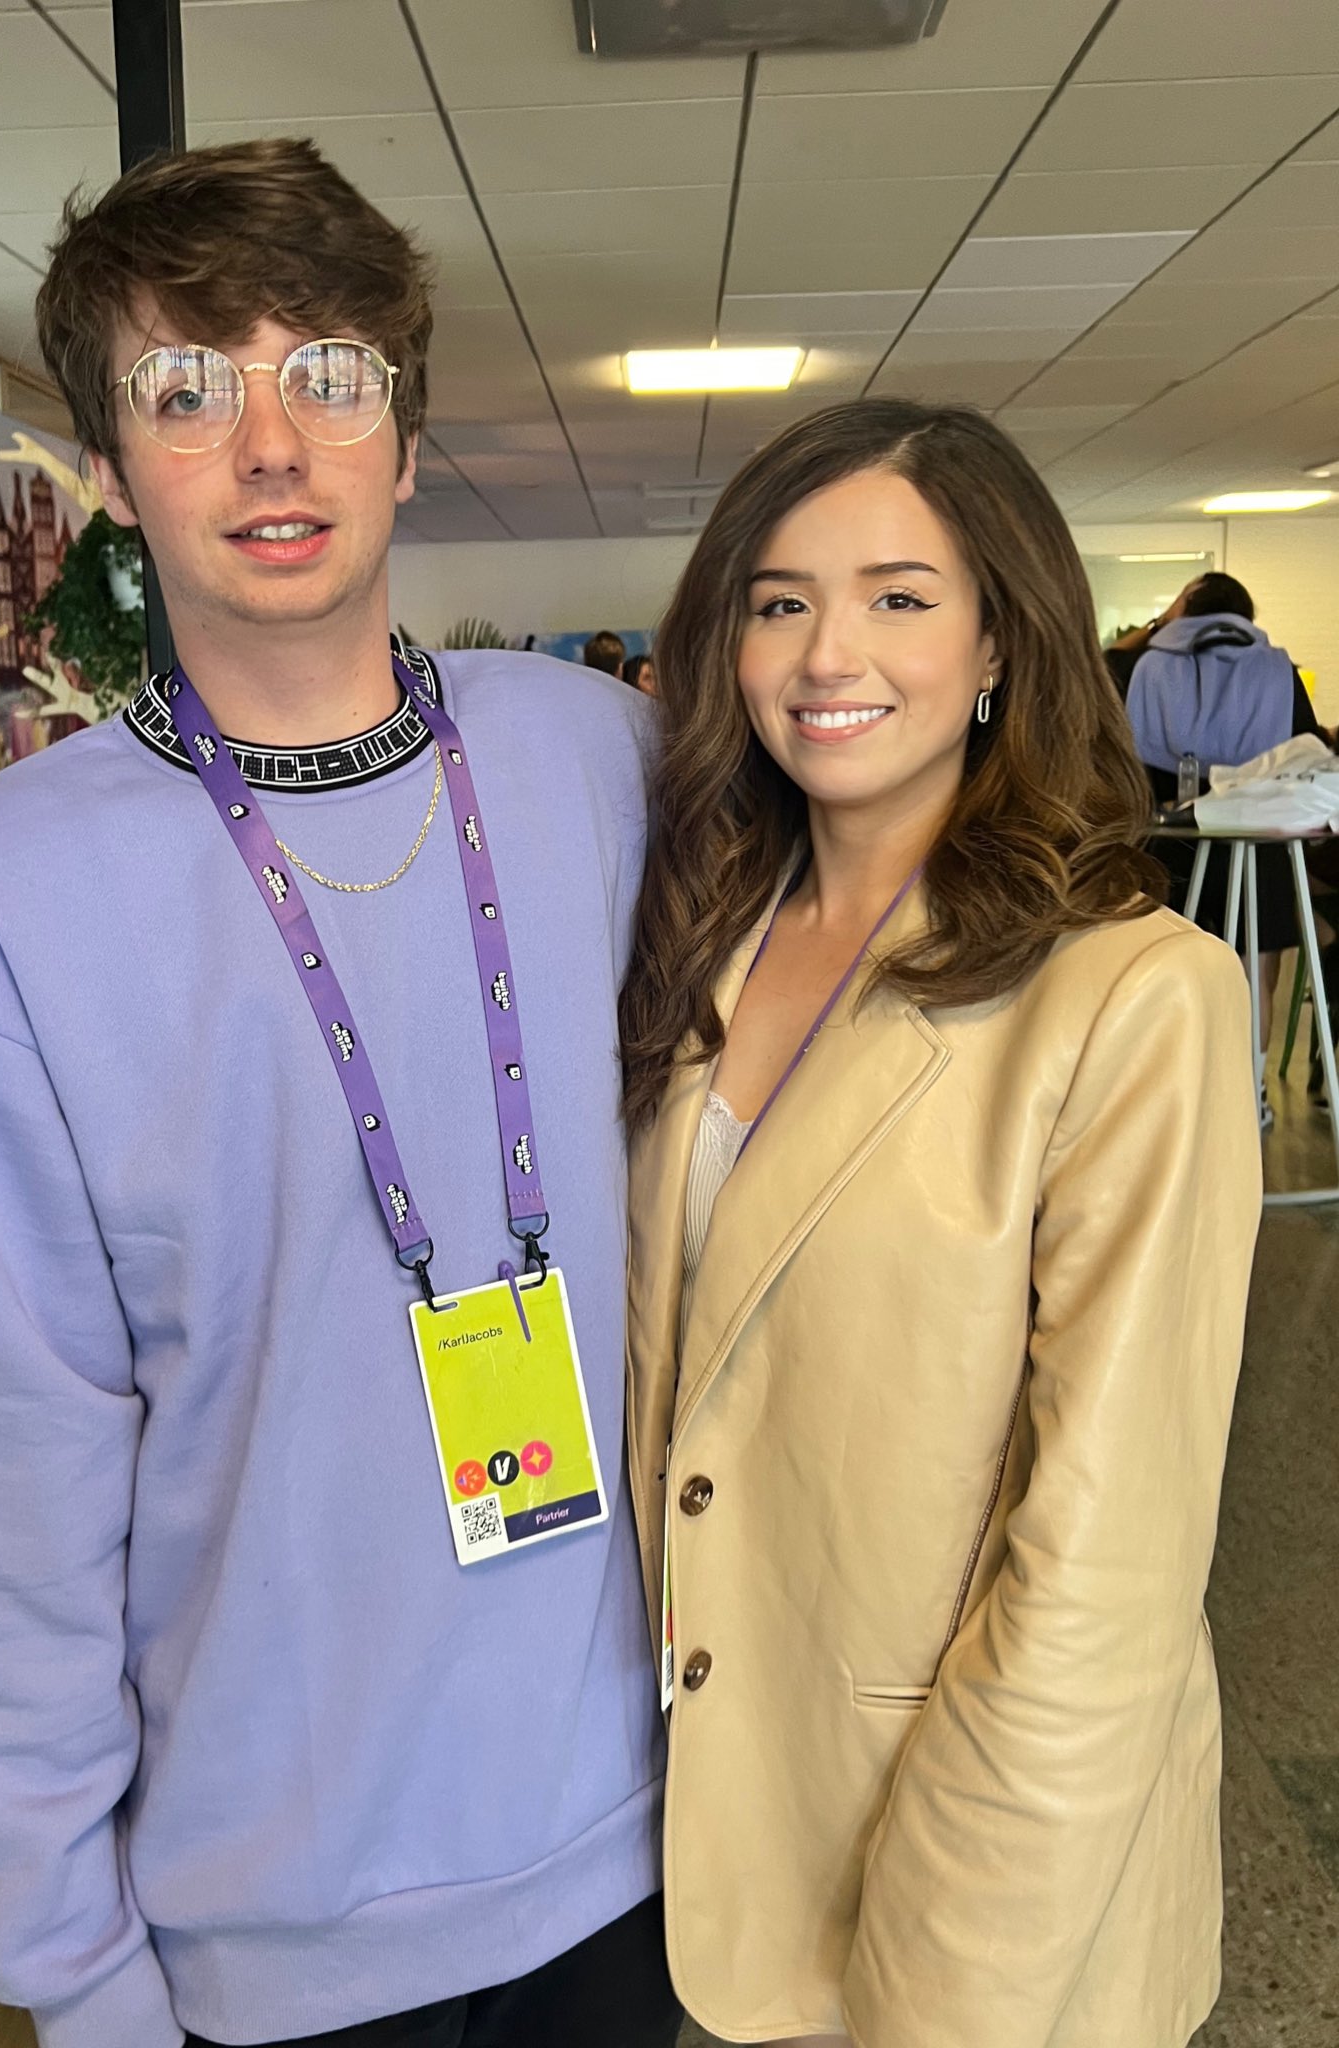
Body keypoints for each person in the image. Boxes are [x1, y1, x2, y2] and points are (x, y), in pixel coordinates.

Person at [0, 139, 675, 2048]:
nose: (270, 445)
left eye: (326, 375)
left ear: (407, 435)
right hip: (270, 1929)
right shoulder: (2, 898)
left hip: (638, 1858)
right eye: (184, 391)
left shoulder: (603, 760)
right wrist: (74, 1978)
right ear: (110, 469)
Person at [619, 399, 1262, 2048]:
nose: (826, 652)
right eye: (779, 601)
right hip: (708, 1826)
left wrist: (956, 1976)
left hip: (961, 1879)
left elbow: (1103, 1568)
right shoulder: (701, 935)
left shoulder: (1132, 994)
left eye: (897, 596)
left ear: (996, 643)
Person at [1110, 571, 1320, 1092]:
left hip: (1164, 839)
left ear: (1183, 609)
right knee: (1255, 969)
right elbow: (1305, 748)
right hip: (1258, 840)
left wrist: (1158, 624)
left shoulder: (1139, 666)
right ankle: (1251, 1094)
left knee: (1158, 967)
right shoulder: (1279, 670)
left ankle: (1170, 1092)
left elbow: (1103, 661)